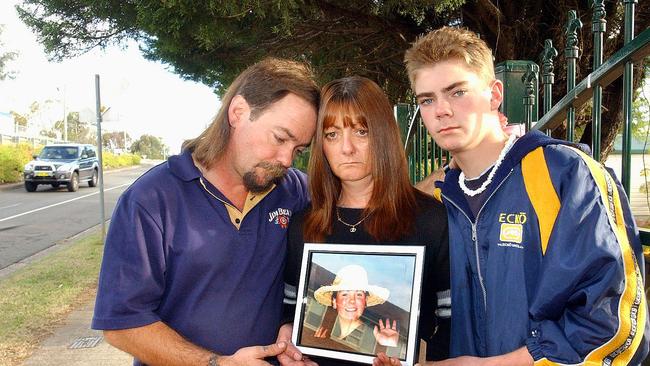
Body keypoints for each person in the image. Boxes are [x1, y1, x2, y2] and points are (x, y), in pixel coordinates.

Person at [376, 26, 649, 365]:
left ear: (494, 94)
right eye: (427, 99)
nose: (441, 110)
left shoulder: (566, 175)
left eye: (457, 92)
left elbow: (614, 326)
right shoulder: (437, 200)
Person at [91, 57, 320, 366]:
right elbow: (122, 324)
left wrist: (290, 324)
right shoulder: (151, 200)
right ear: (238, 112)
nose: (287, 159)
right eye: (280, 138)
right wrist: (217, 363)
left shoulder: (292, 191)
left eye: (298, 149)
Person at [284, 76, 450, 366]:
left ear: (383, 134)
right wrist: (290, 348)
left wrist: (423, 362)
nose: (347, 148)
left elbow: (450, 319)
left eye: (361, 132)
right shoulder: (303, 225)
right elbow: (289, 309)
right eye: (332, 134)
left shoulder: (430, 219)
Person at [308, 264, 399, 351]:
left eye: (359, 294)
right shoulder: (323, 334)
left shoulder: (372, 337)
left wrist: (389, 346)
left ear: (365, 302)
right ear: (334, 302)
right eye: (345, 294)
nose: (352, 300)